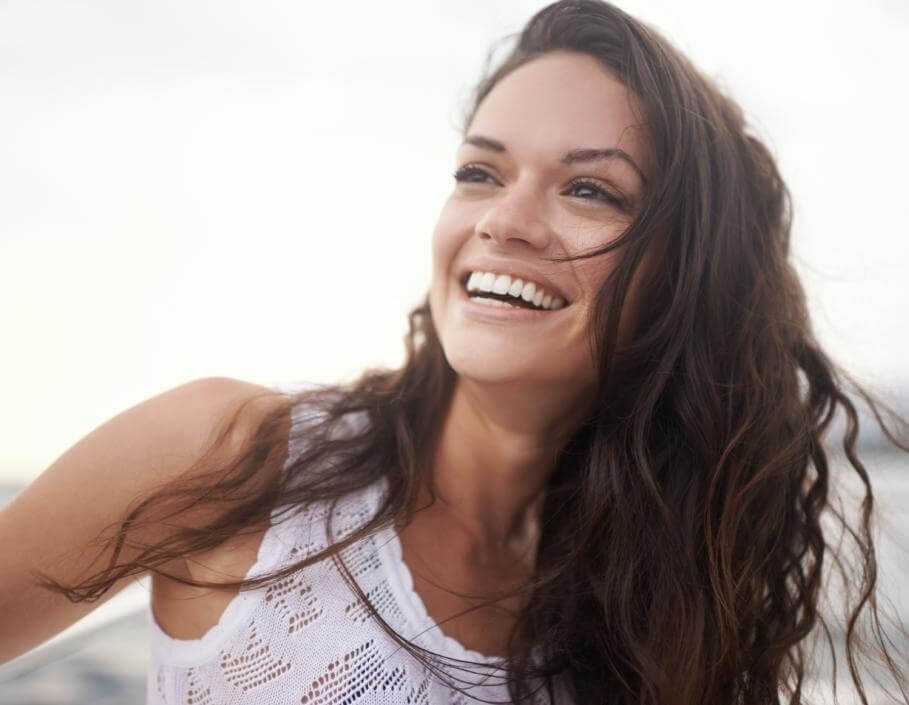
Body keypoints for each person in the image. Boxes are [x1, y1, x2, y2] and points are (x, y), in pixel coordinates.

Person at [1, 1, 906, 703]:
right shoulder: (233, 453)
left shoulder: (648, 602)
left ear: (683, 276)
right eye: (480, 171)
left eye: (589, 189)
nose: (503, 221)